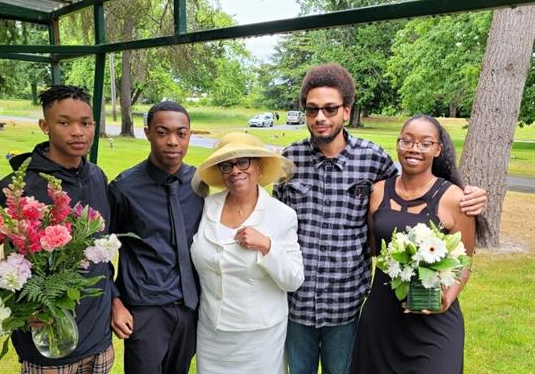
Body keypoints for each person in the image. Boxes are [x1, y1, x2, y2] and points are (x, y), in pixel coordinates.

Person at [273, 63, 487, 374]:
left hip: (346, 306)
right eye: (312, 110)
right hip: (297, 305)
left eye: (330, 109)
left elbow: (412, 191)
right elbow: (273, 223)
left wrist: (468, 194)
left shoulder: (373, 159)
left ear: (347, 111)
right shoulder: (288, 162)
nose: (320, 117)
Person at [0, 85, 114, 373]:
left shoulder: (97, 177)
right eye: (64, 123)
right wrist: (24, 309)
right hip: (46, 348)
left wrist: (116, 299)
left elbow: (105, 252)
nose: (77, 132)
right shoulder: (15, 191)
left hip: (99, 340)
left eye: (85, 123)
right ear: (44, 126)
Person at [351, 115, 476, 373]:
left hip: (433, 320)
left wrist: (446, 299)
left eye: (425, 143)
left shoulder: (455, 199)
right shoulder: (377, 192)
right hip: (381, 318)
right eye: (406, 141)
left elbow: (464, 263)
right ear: (397, 144)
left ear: (438, 149)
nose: (414, 149)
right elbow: (373, 247)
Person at [190, 132, 304, 374]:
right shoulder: (207, 206)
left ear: (259, 166)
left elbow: (293, 279)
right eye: (227, 165)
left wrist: (267, 245)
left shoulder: (281, 215)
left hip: (259, 337)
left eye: (243, 162)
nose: (235, 171)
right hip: (212, 333)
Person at [109, 101, 204, 374]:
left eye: (181, 133)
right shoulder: (124, 189)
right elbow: (98, 251)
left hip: (190, 307)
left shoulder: (200, 183)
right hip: (145, 309)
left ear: (189, 134)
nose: (173, 141)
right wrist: (115, 302)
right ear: (147, 132)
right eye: (163, 132)